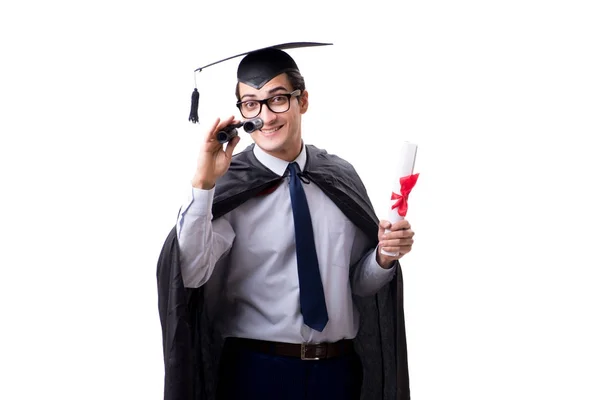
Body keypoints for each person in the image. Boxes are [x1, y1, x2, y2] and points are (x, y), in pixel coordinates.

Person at [157, 43, 415, 400]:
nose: (266, 116)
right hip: (255, 374)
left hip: (337, 374)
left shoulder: (339, 177)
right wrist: (203, 184)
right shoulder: (228, 186)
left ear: (302, 101)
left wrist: (384, 257)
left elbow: (357, 284)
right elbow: (189, 272)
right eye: (251, 103)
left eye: (278, 99)